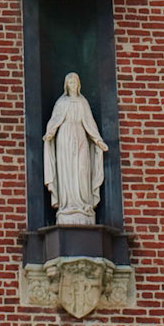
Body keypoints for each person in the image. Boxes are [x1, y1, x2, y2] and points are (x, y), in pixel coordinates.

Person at [42, 72, 108, 225]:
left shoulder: (83, 103)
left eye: (75, 82)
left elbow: (89, 123)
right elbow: (54, 121)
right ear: (66, 85)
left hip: (80, 137)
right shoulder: (61, 103)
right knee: (67, 172)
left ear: (79, 85)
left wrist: (98, 140)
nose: (73, 84)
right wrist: (50, 133)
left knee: (82, 170)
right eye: (70, 82)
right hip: (64, 139)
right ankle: (67, 205)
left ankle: (83, 204)